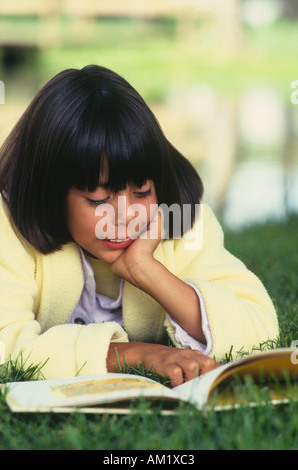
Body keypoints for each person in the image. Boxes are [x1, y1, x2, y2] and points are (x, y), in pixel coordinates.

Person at [0, 65, 279, 386]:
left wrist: (145, 269)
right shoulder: (8, 225)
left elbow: (260, 329)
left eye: (142, 192)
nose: (125, 217)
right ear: (50, 191)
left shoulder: (181, 220)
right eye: (98, 199)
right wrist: (136, 354)